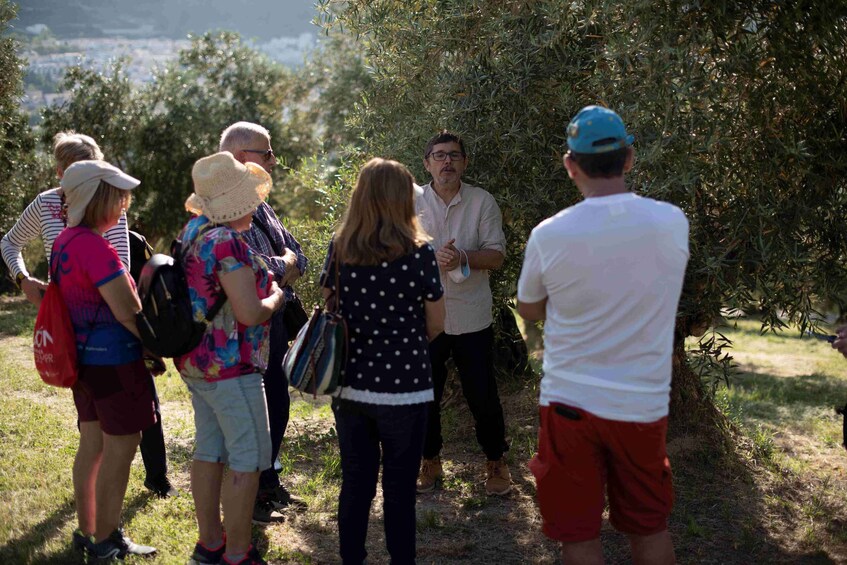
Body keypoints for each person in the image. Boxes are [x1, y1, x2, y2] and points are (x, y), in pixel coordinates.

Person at [517, 105, 689, 565]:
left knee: (577, 534)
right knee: (650, 527)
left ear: (570, 165)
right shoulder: (673, 221)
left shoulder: (548, 234)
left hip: (570, 400)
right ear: (629, 158)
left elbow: (529, 309)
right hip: (643, 402)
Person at [0, 132, 176, 499]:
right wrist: (23, 280)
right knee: (93, 408)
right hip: (71, 324)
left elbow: (122, 267)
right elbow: (9, 242)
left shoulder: (110, 208)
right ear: (61, 171)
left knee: (144, 399)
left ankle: (156, 477)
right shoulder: (46, 204)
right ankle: (99, 498)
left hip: (110, 315)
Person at [320, 158, 445, 564]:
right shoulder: (420, 253)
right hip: (406, 388)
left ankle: (352, 559)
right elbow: (437, 323)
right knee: (400, 488)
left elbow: (330, 305)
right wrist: (406, 344)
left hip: (351, 383)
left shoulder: (340, 249)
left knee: (356, 483)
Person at [177, 151, 285, 565]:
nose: (255, 205)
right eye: (249, 198)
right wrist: (275, 294)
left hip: (197, 364)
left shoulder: (193, 230)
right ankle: (238, 553)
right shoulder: (226, 242)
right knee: (247, 458)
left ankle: (210, 544)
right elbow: (251, 312)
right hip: (232, 368)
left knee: (209, 451)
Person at [55, 160, 159, 560]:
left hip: (84, 364)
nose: (124, 203)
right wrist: (153, 347)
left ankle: (88, 530)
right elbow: (127, 311)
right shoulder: (96, 247)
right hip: (115, 363)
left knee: (93, 445)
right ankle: (107, 539)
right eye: (118, 195)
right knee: (123, 445)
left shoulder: (66, 240)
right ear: (98, 198)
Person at [218, 121, 308, 524]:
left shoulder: (261, 201)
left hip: (276, 320)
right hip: (246, 326)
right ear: (240, 158)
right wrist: (284, 264)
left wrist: (285, 264)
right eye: (266, 152)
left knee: (278, 402)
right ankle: (250, 497)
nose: (274, 159)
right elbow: (249, 265)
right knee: (255, 413)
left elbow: (300, 255)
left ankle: (269, 481)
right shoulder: (221, 207)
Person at [414, 130, 512, 496]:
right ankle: (430, 462)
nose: (447, 162)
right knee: (425, 394)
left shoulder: (482, 201)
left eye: (454, 155)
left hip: (472, 316)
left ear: (465, 162)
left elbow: (497, 255)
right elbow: (394, 253)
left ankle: (496, 463)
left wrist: (463, 257)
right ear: (426, 163)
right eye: (439, 155)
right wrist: (429, 258)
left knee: (483, 395)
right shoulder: (411, 202)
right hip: (426, 317)